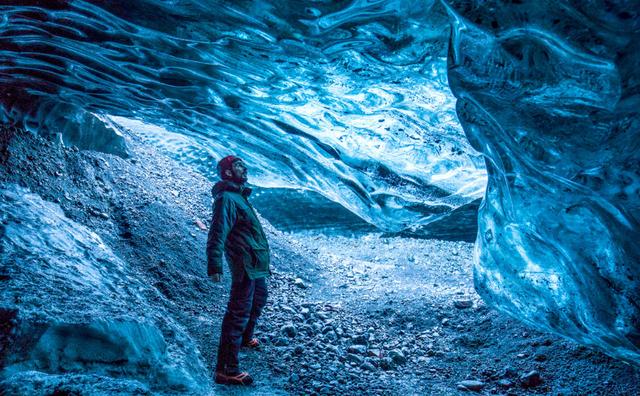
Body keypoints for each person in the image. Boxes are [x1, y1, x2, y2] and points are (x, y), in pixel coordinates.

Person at [207, 155, 270, 386]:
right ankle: (226, 369)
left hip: (255, 263)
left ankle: (245, 339)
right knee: (238, 313)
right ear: (228, 173)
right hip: (244, 263)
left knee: (258, 299)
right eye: (238, 166)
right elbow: (217, 232)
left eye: (243, 164)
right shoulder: (227, 199)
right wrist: (215, 265)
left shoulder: (239, 196)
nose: (244, 168)